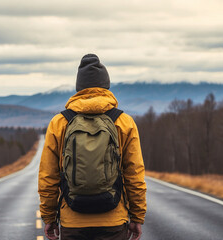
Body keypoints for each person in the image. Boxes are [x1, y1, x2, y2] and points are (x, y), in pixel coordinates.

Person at [38, 53, 147, 240]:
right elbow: (134, 174)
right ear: (106, 85)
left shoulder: (59, 123)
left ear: (79, 88)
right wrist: (137, 216)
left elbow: (48, 176)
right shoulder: (124, 122)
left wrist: (49, 217)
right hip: (113, 219)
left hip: (73, 221)